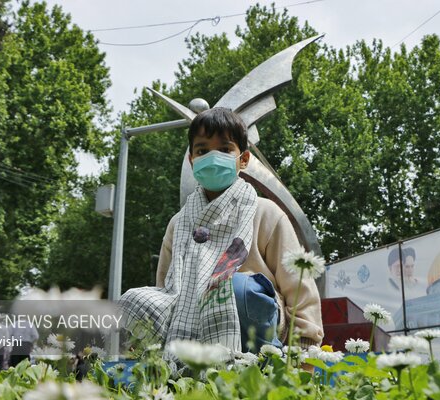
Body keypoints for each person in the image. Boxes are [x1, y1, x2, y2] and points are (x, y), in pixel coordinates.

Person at [120, 107, 323, 353]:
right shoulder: (179, 223)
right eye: (203, 150)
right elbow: (165, 287)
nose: (212, 157)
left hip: (255, 324)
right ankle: (167, 368)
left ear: (244, 159)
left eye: (225, 149)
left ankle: (255, 364)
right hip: (189, 318)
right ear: (191, 159)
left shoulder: (265, 213)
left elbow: (299, 288)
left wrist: (304, 349)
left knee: (232, 289)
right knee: (135, 300)